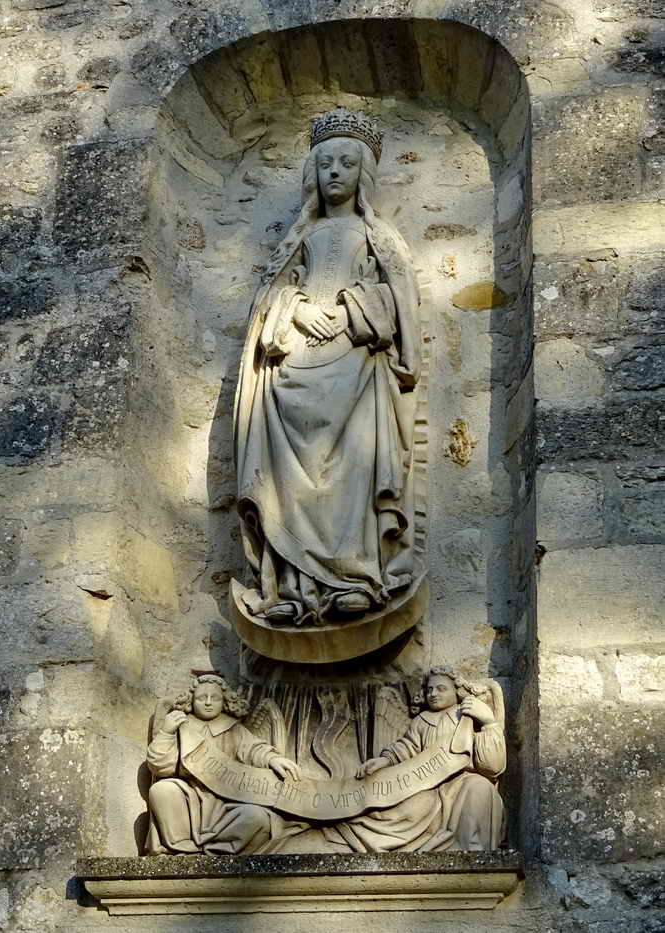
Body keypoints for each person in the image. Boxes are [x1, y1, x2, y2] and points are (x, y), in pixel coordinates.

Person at [234, 109, 421, 627]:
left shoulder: (378, 236)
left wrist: (349, 308)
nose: (335, 172)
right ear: (312, 173)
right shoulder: (298, 238)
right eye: (325, 163)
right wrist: (295, 308)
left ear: (364, 174)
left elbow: (398, 304)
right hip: (294, 364)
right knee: (287, 479)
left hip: (355, 362)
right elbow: (268, 300)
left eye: (346, 163)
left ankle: (356, 577)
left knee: (353, 470)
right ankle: (293, 586)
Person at [324, 667, 506, 852]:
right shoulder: (422, 720)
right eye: (429, 689)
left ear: (457, 691)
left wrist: (488, 722)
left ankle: (469, 848)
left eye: (441, 689)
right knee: (410, 807)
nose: (433, 694)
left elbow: (493, 767)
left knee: (480, 788)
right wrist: (386, 760)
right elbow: (408, 748)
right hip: (426, 784)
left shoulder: (468, 716)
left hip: (462, 781)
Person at [145, 674, 304, 855]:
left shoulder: (234, 729)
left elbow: (254, 750)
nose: (208, 702)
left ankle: (215, 850)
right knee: (162, 790)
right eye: (201, 698)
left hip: (227, 803)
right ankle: (181, 846)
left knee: (257, 817)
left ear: (225, 702)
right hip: (190, 797)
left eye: (215, 698)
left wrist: (272, 759)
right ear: (191, 701)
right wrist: (166, 733)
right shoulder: (181, 727)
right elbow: (159, 765)